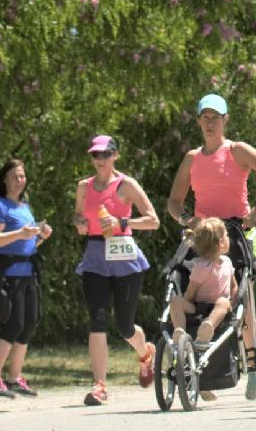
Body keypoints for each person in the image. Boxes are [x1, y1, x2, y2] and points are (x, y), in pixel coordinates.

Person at [167, 94, 256, 400]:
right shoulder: (192, 158)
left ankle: (254, 365)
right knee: (189, 287)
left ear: (225, 120)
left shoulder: (237, 151)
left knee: (242, 297)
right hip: (205, 235)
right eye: (205, 117)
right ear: (197, 120)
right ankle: (199, 363)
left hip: (235, 231)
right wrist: (185, 219)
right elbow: (173, 202)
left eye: (215, 117)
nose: (210, 122)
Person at [72, 135, 160, 406]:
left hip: (124, 257)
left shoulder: (127, 185)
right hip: (95, 256)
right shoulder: (83, 187)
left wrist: (122, 221)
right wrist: (79, 223)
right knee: (96, 320)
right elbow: (77, 215)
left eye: (106, 155)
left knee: (124, 327)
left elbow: (153, 221)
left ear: (115, 156)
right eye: (96, 156)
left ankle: (145, 353)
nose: (100, 160)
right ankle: (99, 385)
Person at [0, 160, 52, 398]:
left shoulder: (24, 207)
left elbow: (26, 244)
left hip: (28, 273)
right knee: (12, 325)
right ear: (4, 179)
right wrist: (21, 233)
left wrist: (40, 237)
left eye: (22, 176)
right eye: (14, 176)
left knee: (28, 325)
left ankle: (14, 378)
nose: (19, 180)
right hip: (7, 275)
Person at [170, 218, 235, 345]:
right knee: (176, 301)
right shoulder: (202, 267)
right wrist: (186, 303)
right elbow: (190, 293)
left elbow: (234, 286)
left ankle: (207, 328)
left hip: (218, 308)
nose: (229, 238)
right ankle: (179, 332)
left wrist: (232, 303)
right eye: (226, 235)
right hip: (198, 306)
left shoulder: (227, 262)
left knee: (223, 302)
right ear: (220, 243)